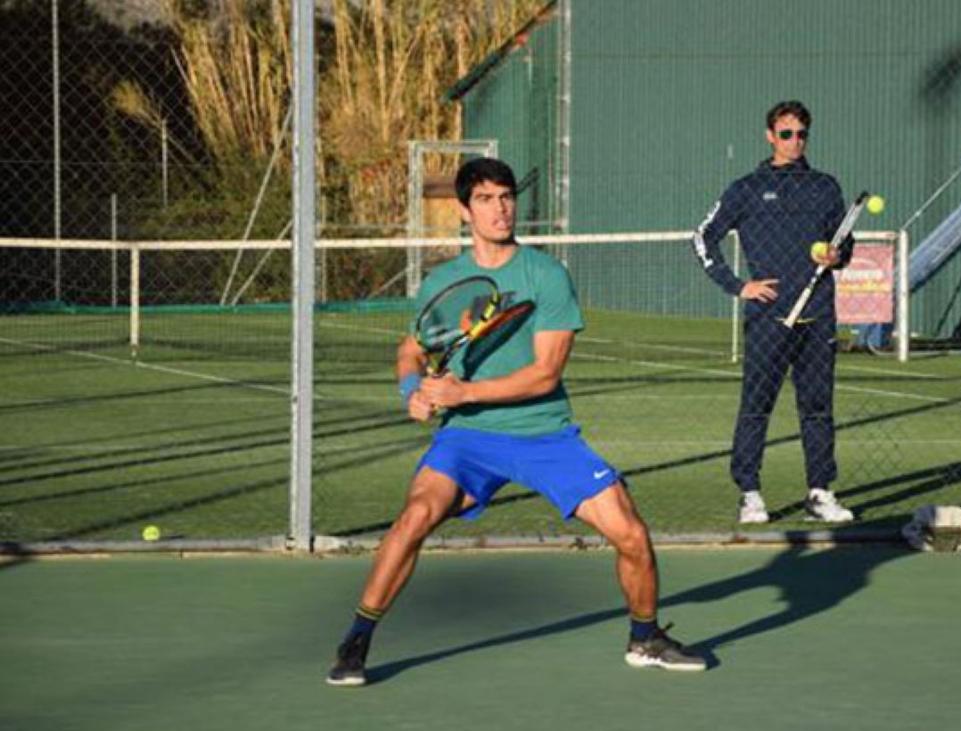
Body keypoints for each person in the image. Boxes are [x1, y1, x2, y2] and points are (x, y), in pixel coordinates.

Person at [326, 157, 706, 686]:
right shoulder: (445, 281)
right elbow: (410, 350)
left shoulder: (546, 275)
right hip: (467, 438)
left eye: (506, 197)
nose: (500, 208)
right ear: (464, 211)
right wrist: (412, 390)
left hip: (544, 433)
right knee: (413, 518)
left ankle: (645, 638)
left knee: (632, 534)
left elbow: (545, 374)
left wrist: (463, 390)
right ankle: (356, 642)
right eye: (485, 199)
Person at [692, 100, 856, 526]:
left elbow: (845, 244)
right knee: (756, 407)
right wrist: (739, 286)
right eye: (786, 134)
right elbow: (703, 238)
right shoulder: (747, 188)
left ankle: (820, 492)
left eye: (802, 134)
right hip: (768, 319)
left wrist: (838, 255)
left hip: (818, 316)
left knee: (817, 408)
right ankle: (749, 493)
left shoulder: (825, 187)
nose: (795, 141)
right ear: (770, 136)